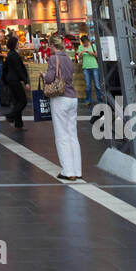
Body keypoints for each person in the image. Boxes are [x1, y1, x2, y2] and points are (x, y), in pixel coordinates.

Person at [45, 37, 80, 178]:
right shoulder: (69, 59)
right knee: (72, 135)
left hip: (60, 98)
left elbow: (49, 78)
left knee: (62, 135)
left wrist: (43, 75)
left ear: (53, 45)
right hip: (73, 97)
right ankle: (77, 171)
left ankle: (68, 171)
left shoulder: (54, 59)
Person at [3, 33, 31, 129]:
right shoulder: (14, 55)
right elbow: (19, 69)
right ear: (14, 44)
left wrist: (5, 80)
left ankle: (18, 123)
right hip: (15, 80)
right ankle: (11, 115)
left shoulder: (9, 55)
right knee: (23, 101)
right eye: (17, 43)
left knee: (17, 101)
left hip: (11, 80)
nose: (18, 44)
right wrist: (26, 81)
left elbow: (5, 68)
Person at [78, 35, 102, 104]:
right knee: (88, 85)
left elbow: (97, 55)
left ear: (88, 40)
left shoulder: (93, 46)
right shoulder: (80, 47)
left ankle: (99, 100)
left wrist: (91, 53)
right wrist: (82, 52)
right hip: (85, 68)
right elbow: (78, 56)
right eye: (84, 42)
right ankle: (88, 100)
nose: (86, 43)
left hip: (94, 66)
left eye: (86, 42)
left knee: (97, 85)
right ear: (82, 42)